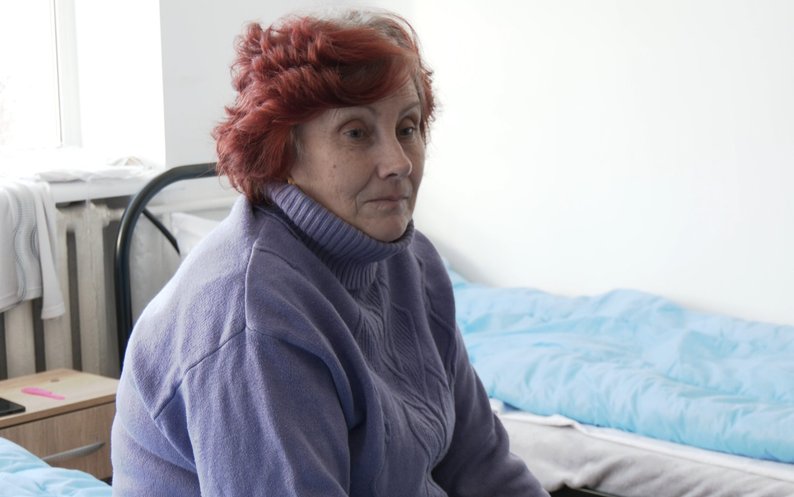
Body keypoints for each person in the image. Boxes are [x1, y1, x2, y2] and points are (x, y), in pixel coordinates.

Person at [111, 9, 549, 497]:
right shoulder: (254, 319)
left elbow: (481, 463)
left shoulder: (413, 262)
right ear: (283, 151)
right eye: (356, 133)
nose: (398, 162)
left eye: (407, 128)